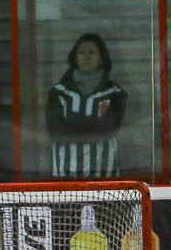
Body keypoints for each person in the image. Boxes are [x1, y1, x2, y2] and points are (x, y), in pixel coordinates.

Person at [45, 32, 128, 178]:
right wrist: (92, 124)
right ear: (75, 57)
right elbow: (55, 131)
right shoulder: (58, 92)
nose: (87, 57)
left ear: (102, 58)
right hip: (65, 175)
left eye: (92, 52)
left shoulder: (115, 93)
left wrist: (71, 121)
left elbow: (109, 128)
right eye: (82, 52)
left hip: (104, 177)